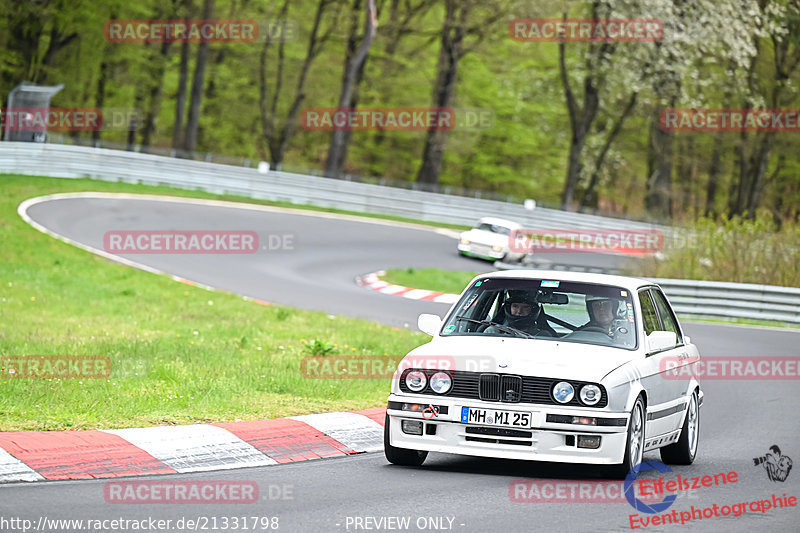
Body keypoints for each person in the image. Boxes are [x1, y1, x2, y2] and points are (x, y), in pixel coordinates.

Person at [486, 290, 556, 336]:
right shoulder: (493, 332)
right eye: (515, 306)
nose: (519, 311)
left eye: (525, 307)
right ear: (508, 308)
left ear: (533, 311)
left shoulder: (542, 336)